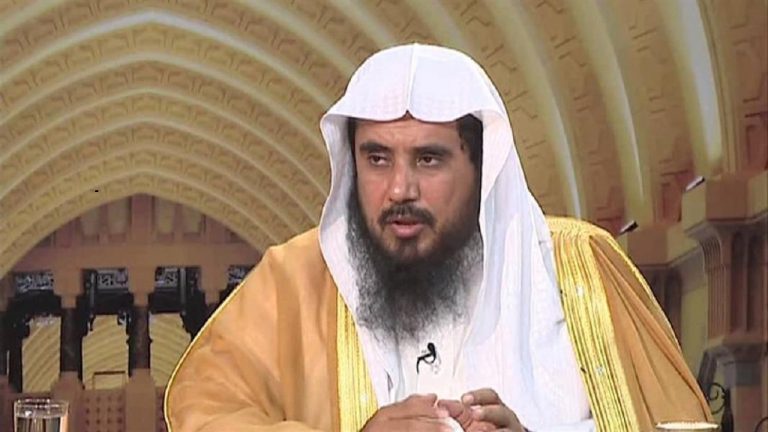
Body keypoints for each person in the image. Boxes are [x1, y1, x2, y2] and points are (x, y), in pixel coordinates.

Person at [164, 44, 712, 431]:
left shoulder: (579, 269)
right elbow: (204, 412)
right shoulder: (296, 280)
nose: (399, 189)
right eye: (377, 158)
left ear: (482, 168)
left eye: (429, 159)